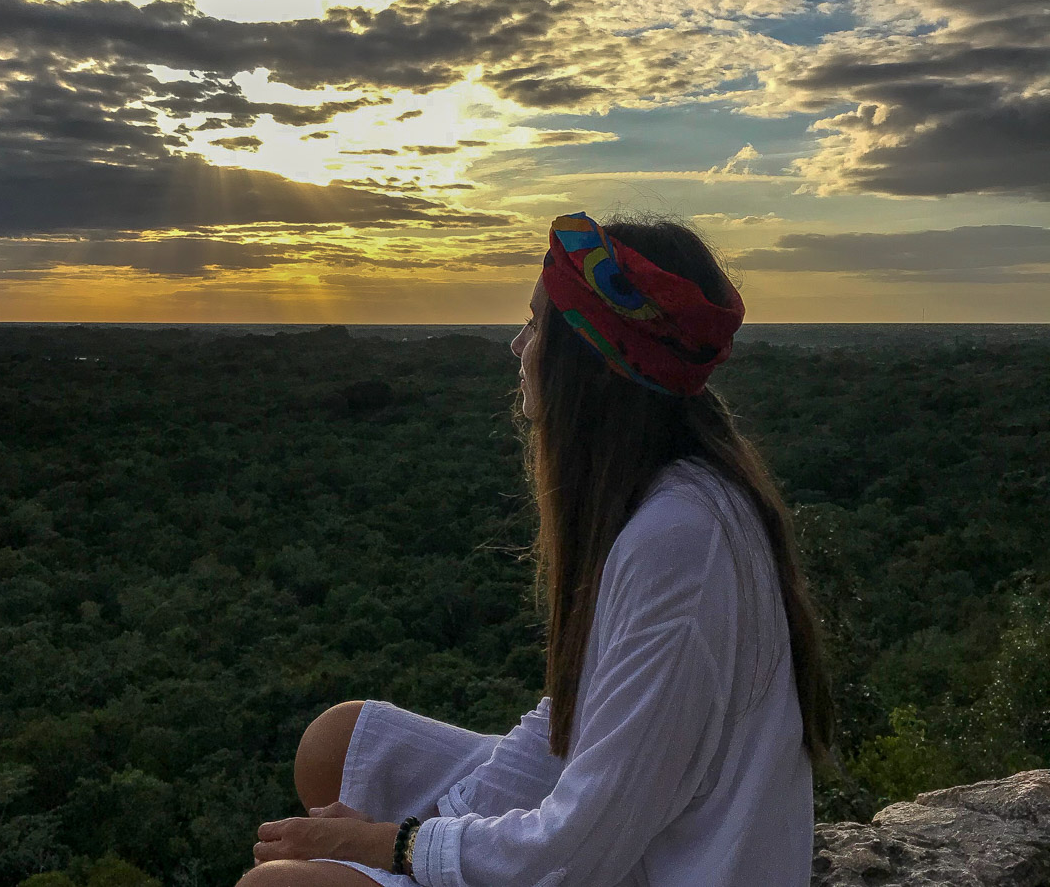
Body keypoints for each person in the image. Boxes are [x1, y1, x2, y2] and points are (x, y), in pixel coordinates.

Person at [240, 211, 834, 887]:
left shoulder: (679, 542)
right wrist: (436, 821)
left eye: (538, 325)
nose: (519, 345)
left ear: (594, 366)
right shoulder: (660, 498)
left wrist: (395, 845)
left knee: (274, 886)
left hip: (648, 866)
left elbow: (579, 848)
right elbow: (568, 725)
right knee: (337, 743)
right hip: (624, 836)